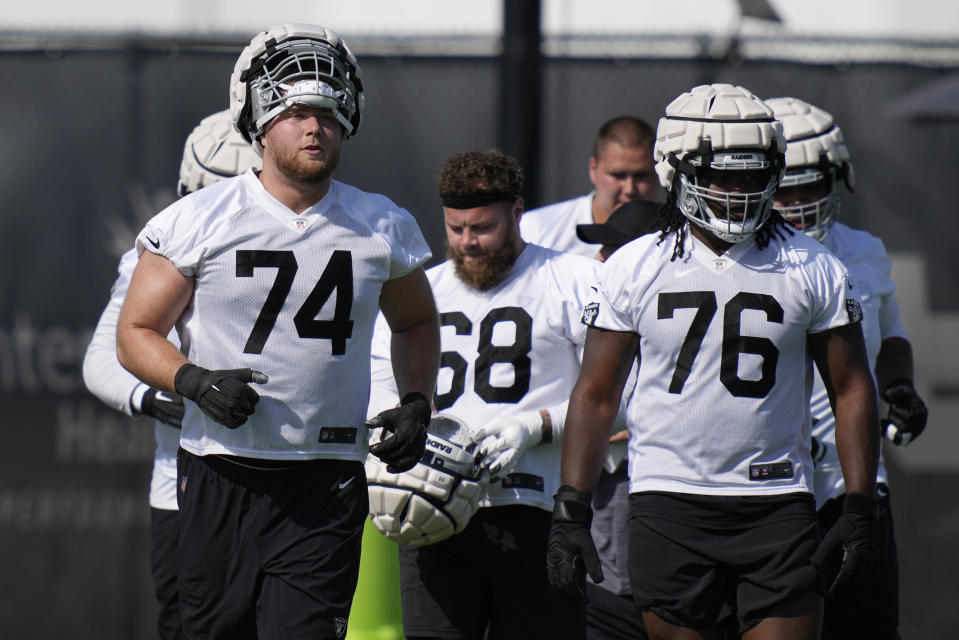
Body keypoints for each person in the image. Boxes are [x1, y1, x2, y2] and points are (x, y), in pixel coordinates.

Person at [115, 23, 440, 639]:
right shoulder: (197, 220)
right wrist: (193, 379)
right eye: (295, 110)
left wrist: (418, 400)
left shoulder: (382, 224)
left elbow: (417, 321)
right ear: (260, 120)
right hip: (220, 468)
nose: (315, 125)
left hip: (326, 476)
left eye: (327, 111)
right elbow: (135, 331)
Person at [546, 83, 882, 640]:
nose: (739, 191)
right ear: (675, 171)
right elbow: (597, 393)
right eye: (722, 174)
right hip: (668, 500)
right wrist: (571, 508)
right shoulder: (633, 265)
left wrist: (860, 505)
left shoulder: (813, 265)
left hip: (777, 500)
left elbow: (851, 387)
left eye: (753, 175)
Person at [368, 150, 596, 639]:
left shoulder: (575, 281)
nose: (467, 243)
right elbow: (380, 380)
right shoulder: (422, 289)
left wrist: (534, 427)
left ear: (517, 212)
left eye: (482, 228)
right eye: (455, 228)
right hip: (432, 511)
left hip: (536, 512)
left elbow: (615, 393)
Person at [82, 108, 260, 640]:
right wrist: (159, 394)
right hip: (185, 489)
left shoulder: (318, 242)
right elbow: (103, 358)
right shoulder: (162, 252)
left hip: (294, 481)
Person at [767, 95, 928, 639]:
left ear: (839, 177)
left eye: (810, 184)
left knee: (867, 626)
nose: (797, 201)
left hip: (852, 480)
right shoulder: (733, 263)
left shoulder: (863, 250)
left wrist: (900, 387)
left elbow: (894, 335)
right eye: (784, 186)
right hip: (765, 489)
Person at [573, 199, 660, 640]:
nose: (598, 260)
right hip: (599, 536)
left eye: (612, 249)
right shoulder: (590, 310)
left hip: (668, 522)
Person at [519, 115, 660, 257]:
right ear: (593, 169)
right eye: (618, 175)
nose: (630, 189)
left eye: (641, 176)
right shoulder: (535, 229)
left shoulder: (678, 238)